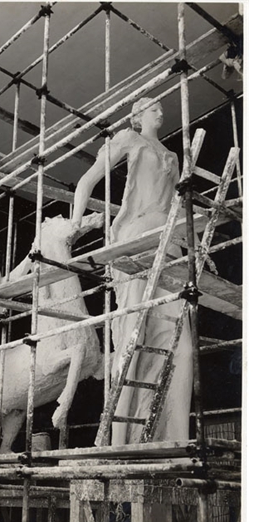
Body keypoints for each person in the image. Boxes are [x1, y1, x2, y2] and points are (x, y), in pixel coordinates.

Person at [71, 98, 194, 446]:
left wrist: (194, 247)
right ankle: (119, 439)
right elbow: (88, 179)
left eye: (160, 107)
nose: (160, 111)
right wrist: (76, 222)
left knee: (181, 347)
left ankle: (177, 439)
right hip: (135, 244)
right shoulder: (129, 139)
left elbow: (176, 207)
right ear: (137, 115)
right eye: (152, 107)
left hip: (169, 248)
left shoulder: (171, 155)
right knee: (134, 341)